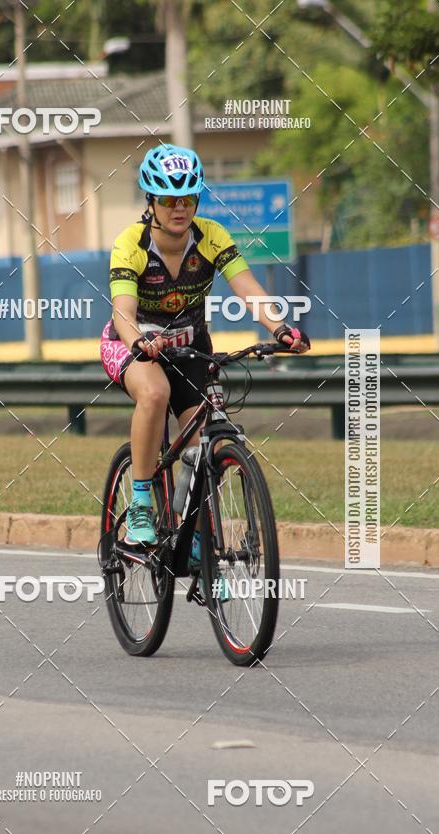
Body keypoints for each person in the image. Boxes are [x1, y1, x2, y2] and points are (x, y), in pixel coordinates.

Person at [100, 144, 310, 548]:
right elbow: (122, 311)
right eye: (169, 200)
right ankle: (141, 503)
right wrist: (140, 341)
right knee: (155, 392)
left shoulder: (211, 236)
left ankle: (199, 547)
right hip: (132, 343)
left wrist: (280, 327)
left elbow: (247, 287)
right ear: (151, 201)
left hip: (191, 346)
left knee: (201, 446)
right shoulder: (131, 243)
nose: (179, 208)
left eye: (188, 199)